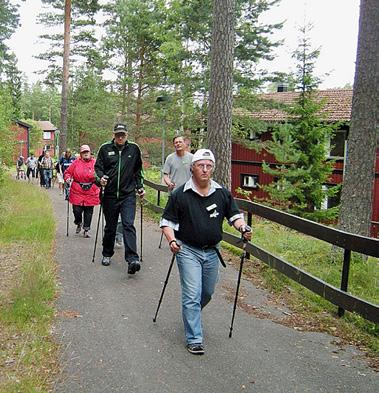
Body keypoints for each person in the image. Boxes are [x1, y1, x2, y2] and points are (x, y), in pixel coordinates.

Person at [160, 149, 252, 355]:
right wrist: (172, 240)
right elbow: (167, 223)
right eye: (200, 165)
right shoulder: (180, 194)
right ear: (192, 168)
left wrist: (242, 227)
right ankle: (194, 338)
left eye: (208, 166)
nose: (205, 169)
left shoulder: (221, 193)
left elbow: (234, 215)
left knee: (207, 293)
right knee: (192, 294)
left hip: (212, 252)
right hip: (187, 250)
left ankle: (191, 313)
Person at [94, 123, 145, 274]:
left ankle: (132, 259)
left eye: (122, 134)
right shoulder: (105, 149)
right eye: (118, 135)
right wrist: (100, 179)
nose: (120, 137)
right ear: (114, 135)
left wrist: (140, 186)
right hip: (109, 195)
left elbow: (138, 170)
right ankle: (107, 253)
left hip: (128, 194)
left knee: (128, 224)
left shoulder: (134, 149)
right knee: (110, 227)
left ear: (127, 135)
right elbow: (98, 168)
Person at [64, 145, 100, 238]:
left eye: (87, 152)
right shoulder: (76, 163)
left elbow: (100, 173)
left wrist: (101, 180)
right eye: (84, 152)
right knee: (76, 210)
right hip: (77, 190)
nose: (86, 154)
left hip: (91, 190)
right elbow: (68, 172)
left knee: (89, 211)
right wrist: (67, 178)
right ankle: (78, 222)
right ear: (81, 154)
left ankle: (86, 229)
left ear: (90, 153)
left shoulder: (95, 163)